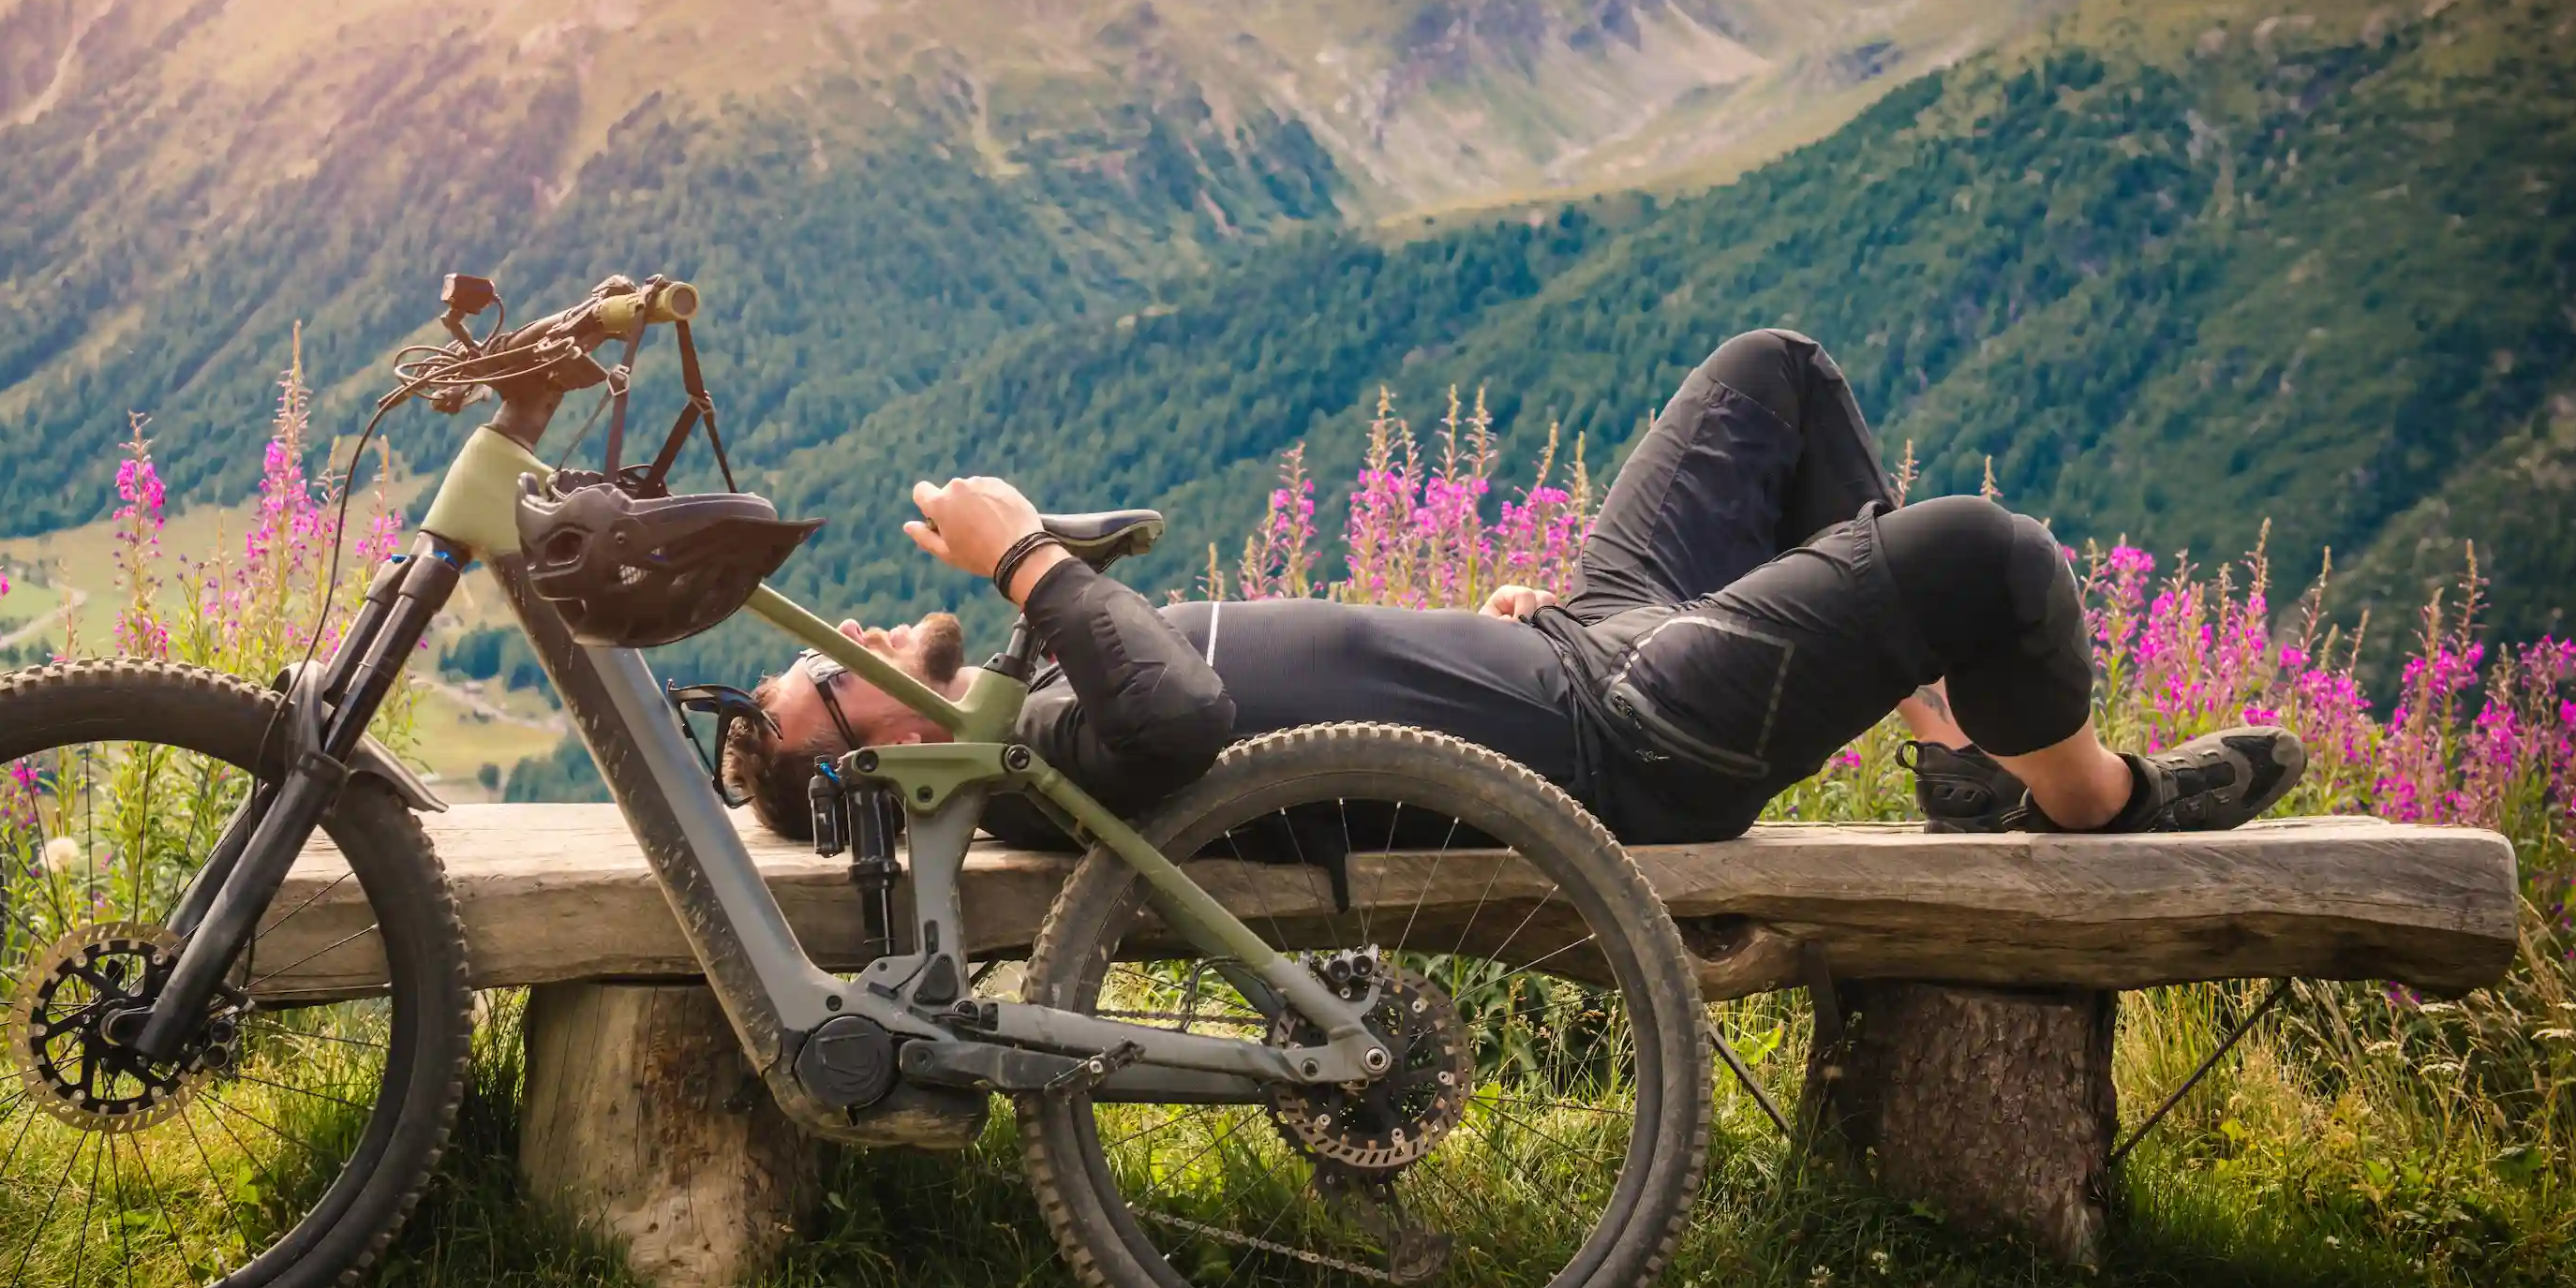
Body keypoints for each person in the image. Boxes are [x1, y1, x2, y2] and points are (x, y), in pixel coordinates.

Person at [722, 329, 2304, 848]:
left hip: (1566, 648)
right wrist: (1020, 552)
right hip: (1624, 743)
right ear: (868, 771)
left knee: (1775, 377)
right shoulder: (1033, 765)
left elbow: (1293, 675)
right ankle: (2097, 804)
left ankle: (1964, 750)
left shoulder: (1026, 698)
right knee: (1981, 552)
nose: (851, 638)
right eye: (830, 680)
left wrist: (1447, 644)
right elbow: (1189, 706)